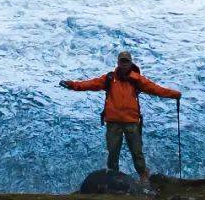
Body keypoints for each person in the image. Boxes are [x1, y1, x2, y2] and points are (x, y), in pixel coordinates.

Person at [60, 51, 180, 181]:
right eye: (122, 61)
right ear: (118, 63)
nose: (124, 64)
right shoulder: (110, 78)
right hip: (113, 122)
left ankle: (143, 175)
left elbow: (156, 89)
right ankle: (113, 176)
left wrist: (174, 94)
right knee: (113, 152)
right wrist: (72, 85)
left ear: (130, 63)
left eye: (126, 61)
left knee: (137, 151)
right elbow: (90, 84)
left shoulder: (137, 80)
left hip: (131, 121)